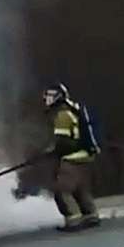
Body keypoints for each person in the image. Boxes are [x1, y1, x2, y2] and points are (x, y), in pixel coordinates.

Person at [44, 83, 101, 231]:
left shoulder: (62, 115)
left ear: (56, 97)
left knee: (61, 190)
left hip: (73, 158)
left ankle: (73, 221)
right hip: (86, 156)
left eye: (49, 96)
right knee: (79, 189)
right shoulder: (74, 109)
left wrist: (52, 151)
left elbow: (63, 142)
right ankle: (91, 215)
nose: (46, 100)